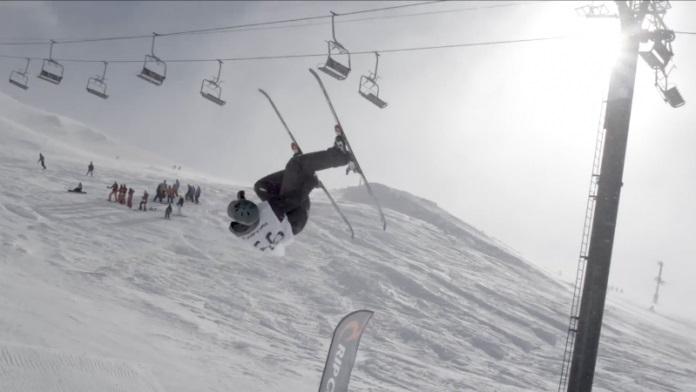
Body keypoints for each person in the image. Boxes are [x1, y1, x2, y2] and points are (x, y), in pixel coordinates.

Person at [228, 125, 354, 254]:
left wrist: (241, 200)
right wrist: (311, 181)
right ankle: (340, 156)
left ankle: (298, 172)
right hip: (297, 213)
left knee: (260, 186)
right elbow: (297, 197)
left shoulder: (243, 231)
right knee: (296, 165)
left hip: (286, 220)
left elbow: (245, 214)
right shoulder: (272, 211)